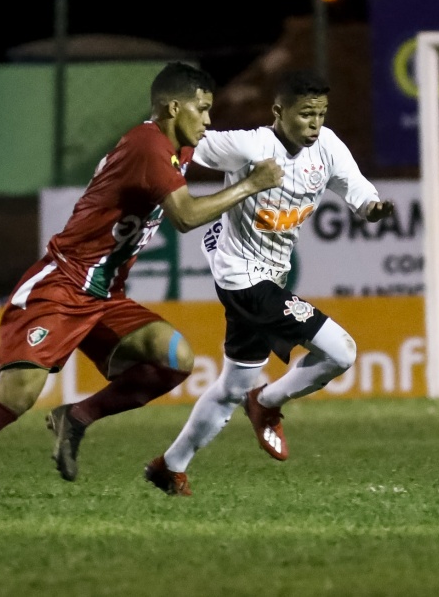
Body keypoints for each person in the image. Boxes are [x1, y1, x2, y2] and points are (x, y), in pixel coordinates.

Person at [0, 61, 284, 514]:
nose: (209, 120)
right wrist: (253, 184)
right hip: (61, 286)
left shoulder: (177, 146)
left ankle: (76, 416)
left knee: (174, 357)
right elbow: (186, 216)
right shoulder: (149, 146)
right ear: (174, 107)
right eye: (203, 109)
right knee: (15, 395)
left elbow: (227, 153)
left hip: (102, 296)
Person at [143, 69, 395, 496]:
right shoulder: (248, 145)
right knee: (342, 350)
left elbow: (355, 186)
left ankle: (170, 466)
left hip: (269, 275)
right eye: (305, 115)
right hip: (242, 278)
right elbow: (178, 138)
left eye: (320, 114)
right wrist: (141, 148)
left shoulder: (327, 146)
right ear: (278, 111)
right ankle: (267, 403)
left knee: (233, 386)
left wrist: (371, 207)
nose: (314, 124)